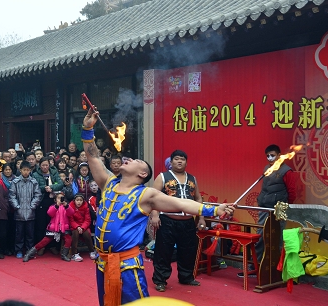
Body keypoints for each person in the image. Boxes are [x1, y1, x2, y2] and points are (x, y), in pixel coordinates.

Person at [80, 107, 234, 305]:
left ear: (142, 174)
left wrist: (213, 209)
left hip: (127, 266)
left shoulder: (145, 194)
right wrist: (87, 128)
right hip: (102, 263)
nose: (127, 160)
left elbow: (181, 203)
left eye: (135, 161)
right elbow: (92, 156)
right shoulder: (108, 182)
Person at [150, 150, 205, 292]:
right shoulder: (163, 176)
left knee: (188, 251)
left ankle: (186, 277)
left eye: (182, 159)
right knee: (163, 251)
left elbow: (198, 199)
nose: (179, 161)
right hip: (167, 220)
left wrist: (201, 218)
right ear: (171, 161)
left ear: (186, 162)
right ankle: (160, 280)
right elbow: (153, 197)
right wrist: (154, 216)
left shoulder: (193, 178)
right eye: (176, 159)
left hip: (187, 221)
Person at [237, 144, 296, 277]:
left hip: (278, 209)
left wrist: (285, 207)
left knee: (277, 238)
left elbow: (292, 192)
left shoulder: (287, 171)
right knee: (260, 236)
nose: (270, 158)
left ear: (279, 155)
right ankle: (256, 267)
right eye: (268, 156)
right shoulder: (267, 169)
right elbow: (265, 189)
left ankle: (277, 271)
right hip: (264, 208)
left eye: (273, 155)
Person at [23, 192, 74, 262]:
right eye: (59, 198)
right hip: (53, 228)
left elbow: (71, 213)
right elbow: (50, 213)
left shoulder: (66, 207)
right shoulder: (53, 206)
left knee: (69, 239)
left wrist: (66, 206)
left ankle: (64, 255)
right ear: (55, 200)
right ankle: (29, 253)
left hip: (64, 228)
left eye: (62, 198)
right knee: (44, 241)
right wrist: (57, 206)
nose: (60, 200)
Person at [9, 161, 42, 259]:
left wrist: (33, 206)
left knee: (30, 234)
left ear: (30, 170)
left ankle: (29, 250)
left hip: (30, 212)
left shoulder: (34, 182)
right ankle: (18, 250)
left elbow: (38, 195)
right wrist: (17, 207)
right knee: (19, 233)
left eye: (28, 170)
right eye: (24, 170)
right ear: (20, 170)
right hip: (19, 212)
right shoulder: (15, 182)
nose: (26, 172)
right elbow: (12, 196)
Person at [32, 157, 64, 252]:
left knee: (53, 224)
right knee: (41, 225)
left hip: (53, 201)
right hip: (41, 201)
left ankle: (53, 246)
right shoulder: (35, 174)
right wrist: (44, 188)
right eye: (43, 165)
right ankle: (41, 247)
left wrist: (51, 187)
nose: (45, 167)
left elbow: (60, 184)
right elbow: (35, 186)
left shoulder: (54, 172)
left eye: (46, 165)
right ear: (39, 165)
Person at [67, 193, 97, 262]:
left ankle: (91, 251)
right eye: (77, 200)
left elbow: (87, 220)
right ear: (74, 201)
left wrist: (83, 227)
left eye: (80, 200)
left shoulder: (86, 208)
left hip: (84, 226)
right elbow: (71, 220)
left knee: (87, 234)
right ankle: (75, 253)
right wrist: (77, 227)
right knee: (75, 233)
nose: (79, 202)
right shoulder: (70, 207)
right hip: (75, 226)